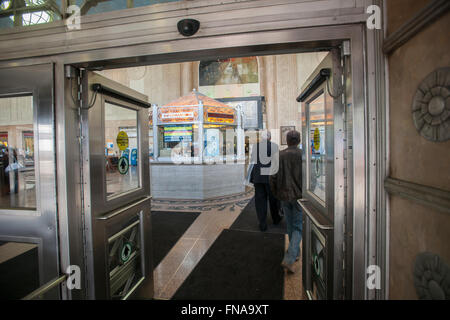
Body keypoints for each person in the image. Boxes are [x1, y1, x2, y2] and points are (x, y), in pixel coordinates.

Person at [270, 130, 303, 273]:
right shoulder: (303, 155)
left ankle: (295, 252)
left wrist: (276, 193)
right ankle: (290, 258)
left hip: (284, 195)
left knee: (291, 225)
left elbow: (272, 177)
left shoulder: (279, 155)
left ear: (287, 140)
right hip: (299, 196)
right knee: (298, 227)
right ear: (299, 141)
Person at [250, 131, 282, 231]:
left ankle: (262, 224)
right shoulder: (274, 146)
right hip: (270, 178)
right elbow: (277, 163)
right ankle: (276, 219)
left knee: (260, 201)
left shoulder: (255, 146)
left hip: (258, 177)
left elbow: (253, 160)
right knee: (273, 200)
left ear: (262, 138)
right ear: (270, 138)